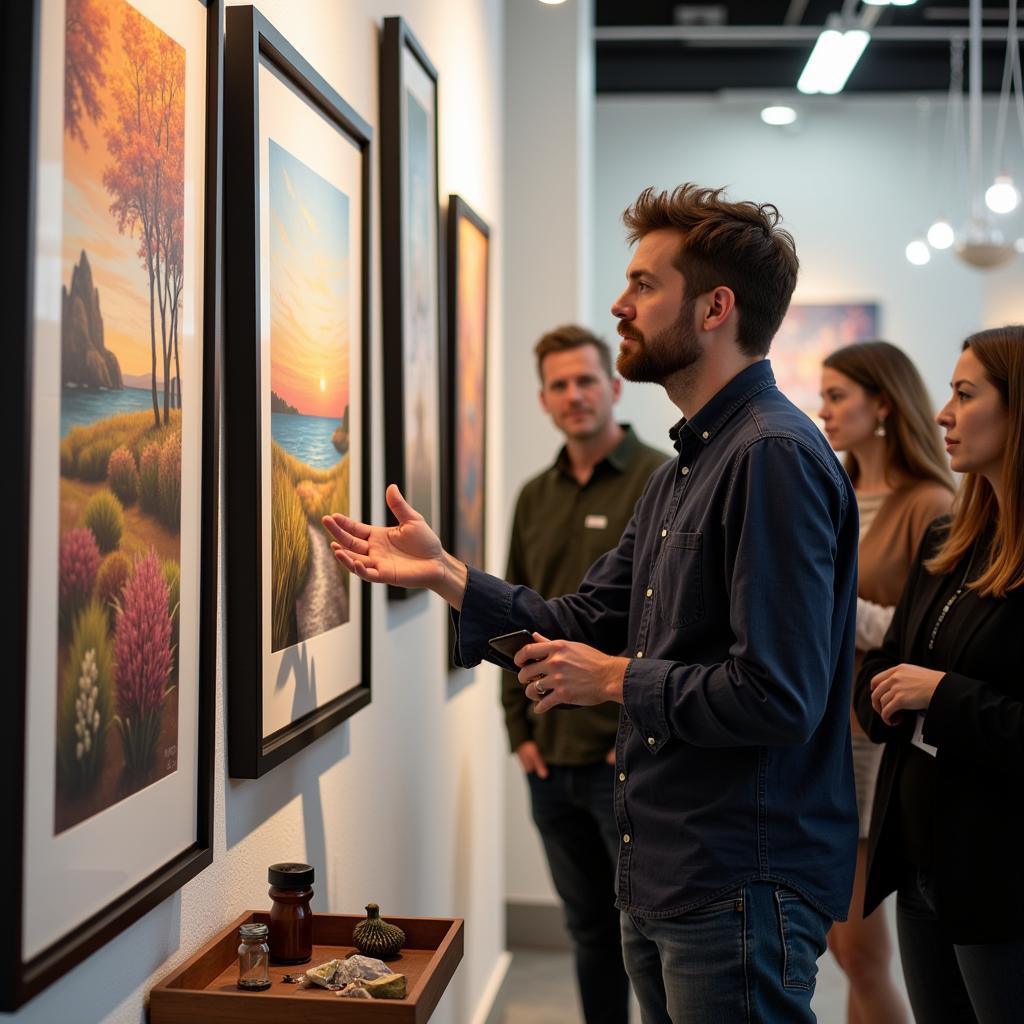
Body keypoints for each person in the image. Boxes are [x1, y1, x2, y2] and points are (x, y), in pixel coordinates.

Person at [323, 184, 860, 1023]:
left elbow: (777, 694)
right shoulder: (683, 469)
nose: (620, 304)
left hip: (738, 880)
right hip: (669, 873)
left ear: (716, 307)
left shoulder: (773, 459)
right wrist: (447, 577)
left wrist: (615, 681)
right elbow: (581, 619)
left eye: (645, 284)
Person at [854, 326, 1024, 1024]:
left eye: (964, 394)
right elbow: (890, 660)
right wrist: (889, 691)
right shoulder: (947, 539)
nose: (943, 415)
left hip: (1002, 872)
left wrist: (939, 694)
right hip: (922, 854)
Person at [504, 325, 667, 1024]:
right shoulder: (533, 496)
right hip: (549, 762)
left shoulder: (660, 481)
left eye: (586, 380)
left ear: (614, 386)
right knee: (588, 932)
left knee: (651, 936)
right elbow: (512, 615)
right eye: (560, 385)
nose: (574, 395)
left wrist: (625, 729)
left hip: (626, 757)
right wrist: (519, 732)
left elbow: (670, 630)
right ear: (543, 399)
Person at [818, 341, 954, 1024]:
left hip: (873, 737)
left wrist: (825, 605)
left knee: (865, 954)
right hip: (822, 731)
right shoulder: (833, 489)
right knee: (846, 953)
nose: (823, 410)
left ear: (883, 403)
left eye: (838, 395)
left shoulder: (930, 502)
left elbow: (926, 628)